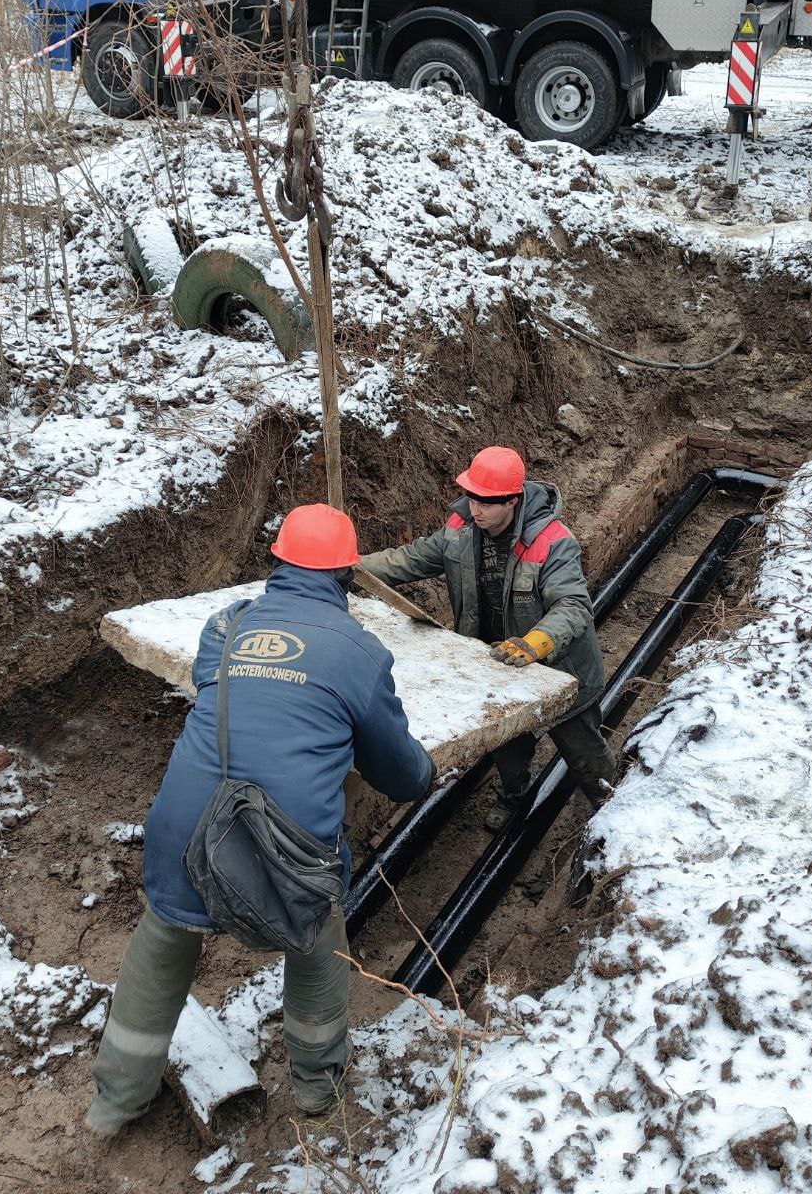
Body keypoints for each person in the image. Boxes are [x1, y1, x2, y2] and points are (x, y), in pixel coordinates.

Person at [86, 504, 434, 1136]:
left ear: (277, 561)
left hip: (182, 824)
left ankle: (114, 1103)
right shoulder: (360, 649)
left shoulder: (226, 624)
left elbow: (234, 700)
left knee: (163, 940)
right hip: (288, 840)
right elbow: (401, 774)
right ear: (347, 575)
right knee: (315, 938)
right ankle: (317, 1090)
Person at [361, 446, 615, 832]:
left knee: (584, 753)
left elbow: (573, 605)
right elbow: (409, 559)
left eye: (486, 502)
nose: (475, 508)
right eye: (471, 497)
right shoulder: (461, 530)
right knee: (508, 748)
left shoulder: (552, 541)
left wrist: (537, 641)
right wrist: (349, 567)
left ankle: (608, 807)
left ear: (512, 501)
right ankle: (514, 796)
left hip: (558, 666)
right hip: (497, 664)